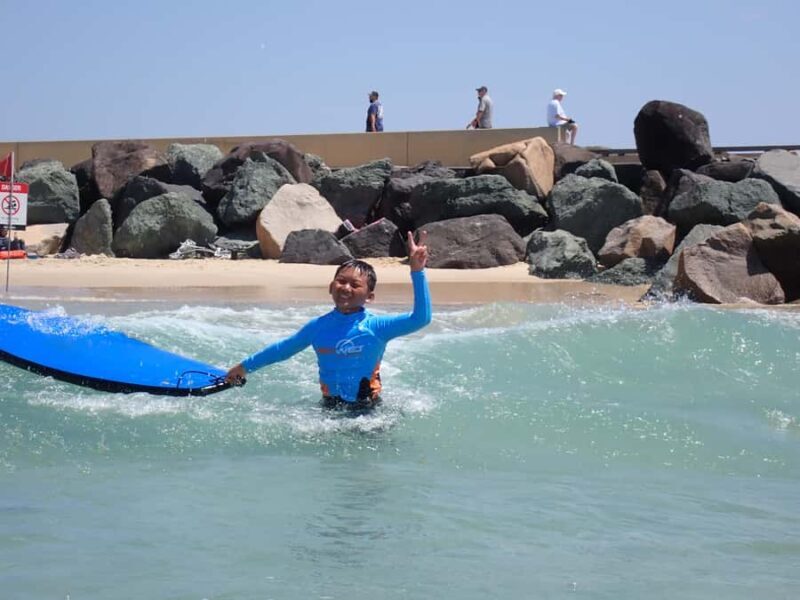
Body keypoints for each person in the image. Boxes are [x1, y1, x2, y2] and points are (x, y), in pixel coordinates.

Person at [225, 232, 432, 411]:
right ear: (331, 287)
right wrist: (244, 367)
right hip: (329, 408)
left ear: (369, 297)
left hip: (368, 411)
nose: (346, 288)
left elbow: (421, 318)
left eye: (355, 285)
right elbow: (282, 350)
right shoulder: (317, 327)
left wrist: (417, 271)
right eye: (341, 281)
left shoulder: (376, 327)